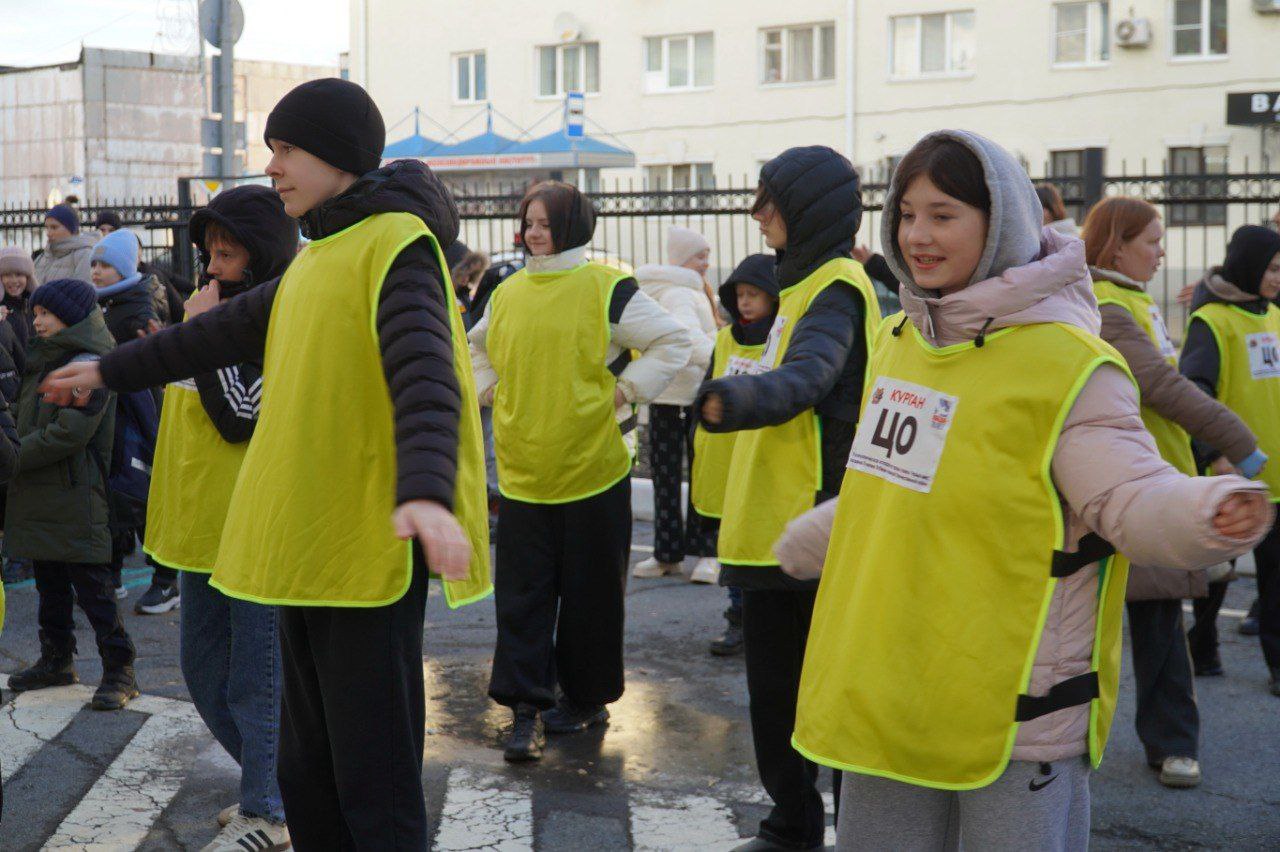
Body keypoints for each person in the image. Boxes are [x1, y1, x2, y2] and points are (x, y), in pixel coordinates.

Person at [775, 130, 1271, 851]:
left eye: (943, 215)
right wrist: (816, 537)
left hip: (1015, 707)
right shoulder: (900, 341)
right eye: (908, 213)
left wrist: (1208, 510)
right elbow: (894, 485)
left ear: (999, 220)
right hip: (891, 685)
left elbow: (1130, 497)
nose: (918, 235)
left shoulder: (1069, 363)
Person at [44, 77, 493, 849]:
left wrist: (424, 492)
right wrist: (105, 370)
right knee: (308, 769)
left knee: (374, 776)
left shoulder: (397, 249)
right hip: (309, 545)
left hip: (368, 548)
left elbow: (424, 377)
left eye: (286, 150)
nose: (274, 167)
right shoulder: (322, 256)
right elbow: (209, 336)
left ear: (338, 153)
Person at [696, 146, 882, 852]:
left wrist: (737, 398)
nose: (756, 213)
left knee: (824, 699)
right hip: (771, 521)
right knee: (775, 700)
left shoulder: (836, 286)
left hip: (812, 527)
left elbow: (811, 373)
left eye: (768, 199)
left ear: (805, 208)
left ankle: (842, 830)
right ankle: (791, 826)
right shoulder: (792, 283)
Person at [468, 180, 691, 763]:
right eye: (528, 222)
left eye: (543, 222)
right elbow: (475, 348)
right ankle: (524, 708)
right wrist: (487, 387)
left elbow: (674, 341)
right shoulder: (509, 291)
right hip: (523, 473)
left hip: (595, 469)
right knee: (522, 598)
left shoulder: (607, 288)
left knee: (591, 596)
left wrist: (627, 392)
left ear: (571, 226)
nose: (533, 232)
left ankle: (586, 698)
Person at [1083, 196, 1267, 789]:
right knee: (1127, 621)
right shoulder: (1107, 305)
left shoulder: (1131, 299)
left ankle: (1170, 745)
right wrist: (1239, 442)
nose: (1163, 252)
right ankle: (1149, 744)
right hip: (1120, 486)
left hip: (1147, 478)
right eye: (1152, 242)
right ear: (1116, 246)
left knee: (1159, 617)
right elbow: (1163, 385)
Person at [142, 184, 297, 850]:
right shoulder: (213, 314)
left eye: (227, 255)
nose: (211, 268)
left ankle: (270, 804)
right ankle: (280, 782)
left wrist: (197, 336)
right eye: (208, 253)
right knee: (205, 671)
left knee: (257, 678)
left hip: (254, 529)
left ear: (259, 260)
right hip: (202, 533)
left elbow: (241, 416)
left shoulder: (270, 319)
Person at [6, 278, 139, 711]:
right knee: (50, 585)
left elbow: (71, 433)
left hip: (77, 493)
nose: (37, 321)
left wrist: (14, 456)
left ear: (72, 317)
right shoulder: (47, 357)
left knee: (94, 590)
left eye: (46, 314)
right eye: (36, 313)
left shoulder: (89, 361)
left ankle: (120, 670)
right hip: (44, 494)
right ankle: (57, 660)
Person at [1181, 224, 1280, 696]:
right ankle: (1202, 647)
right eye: (1273, 269)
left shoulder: (1275, 316)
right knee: (1217, 574)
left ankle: (1278, 666)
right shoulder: (1212, 321)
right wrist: (1214, 454)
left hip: (1277, 474)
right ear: (1250, 265)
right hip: (1231, 474)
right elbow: (1193, 391)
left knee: (1277, 580)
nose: (1279, 278)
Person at [692, 253, 779, 657]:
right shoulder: (726, 339)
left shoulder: (783, 338)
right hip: (722, 456)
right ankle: (737, 616)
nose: (745, 302)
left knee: (755, 543)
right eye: (740, 294)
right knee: (728, 542)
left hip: (758, 459)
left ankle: (754, 618)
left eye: (754, 295)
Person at [89, 229, 172, 611]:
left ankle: (166, 579)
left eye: (105, 265)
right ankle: (114, 572)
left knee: (143, 495)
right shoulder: (106, 303)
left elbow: (146, 367)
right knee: (116, 491)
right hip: (115, 410)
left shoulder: (138, 306)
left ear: (124, 267)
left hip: (139, 412)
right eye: (94, 264)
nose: (97, 271)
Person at [633, 226, 719, 582]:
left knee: (666, 478)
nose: (706, 264)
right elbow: (687, 338)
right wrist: (719, 361)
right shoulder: (682, 294)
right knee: (703, 475)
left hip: (665, 396)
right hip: (691, 396)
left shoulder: (667, 290)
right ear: (684, 258)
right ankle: (705, 553)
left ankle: (667, 553)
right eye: (701, 256)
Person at [33, 204, 96, 286]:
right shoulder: (43, 256)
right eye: (47, 228)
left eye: (54, 227)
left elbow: (84, 293)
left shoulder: (84, 254)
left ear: (70, 228)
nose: (48, 233)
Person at [0, 246, 37, 359]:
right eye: (7, 275)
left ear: (28, 278)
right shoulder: (1, 310)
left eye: (19, 274)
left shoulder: (35, 306)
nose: (14, 280)